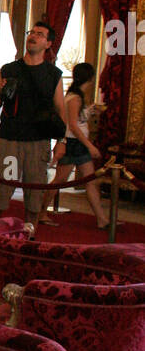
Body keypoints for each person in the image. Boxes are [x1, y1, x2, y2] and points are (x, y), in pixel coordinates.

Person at [0, 19, 67, 226]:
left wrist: (62, 141)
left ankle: (30, 237)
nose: (33, 36)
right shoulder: (9, 69)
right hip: (10, 140)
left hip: (38, 142)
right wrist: (1, 92)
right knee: (0, 192)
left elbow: (61, 109)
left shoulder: (53, 74)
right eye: (32, 32)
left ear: (48, 44)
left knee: (34, 196)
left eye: (40, 34)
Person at [40, 62, 108, 229]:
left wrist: (91, 110)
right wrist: (90, 146)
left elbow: (78, 119)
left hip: (79, 144)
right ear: (90, 78)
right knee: (59, 181)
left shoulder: (77, 97)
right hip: (73, 143)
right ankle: (40, 211)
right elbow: (73, 126)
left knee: (90, 181)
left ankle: (102, 219)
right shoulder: (74, 98)